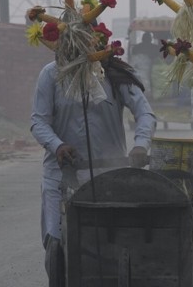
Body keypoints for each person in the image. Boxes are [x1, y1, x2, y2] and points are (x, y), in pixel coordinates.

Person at [31, 32, 157, 275]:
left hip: (109, 175)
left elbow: (145, 113)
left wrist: (141, 145)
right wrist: (58, 145)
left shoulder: (114, 75)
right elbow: (38, 122)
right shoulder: (50, 74)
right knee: (57, 246)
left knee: (115, 244)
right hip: (61, 175)